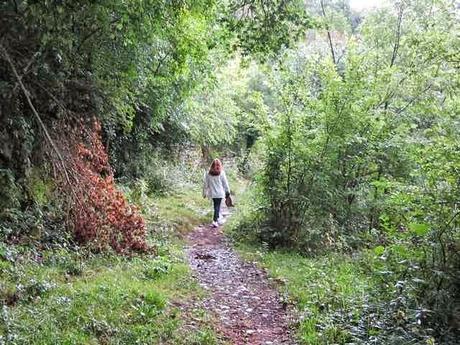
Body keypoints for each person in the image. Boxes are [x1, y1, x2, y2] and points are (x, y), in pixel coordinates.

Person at [203, 158, 230, 228]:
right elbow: (225, 183)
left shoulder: (208, 173)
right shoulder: (222, 173)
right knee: (217, 206)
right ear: (219, 165)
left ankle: (216, 219)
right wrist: (227, 192)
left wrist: (204, 193)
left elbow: (205, 184)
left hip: (213, 193)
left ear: (212, 165)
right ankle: (215, 220)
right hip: (220, 193)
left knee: (216, 206)